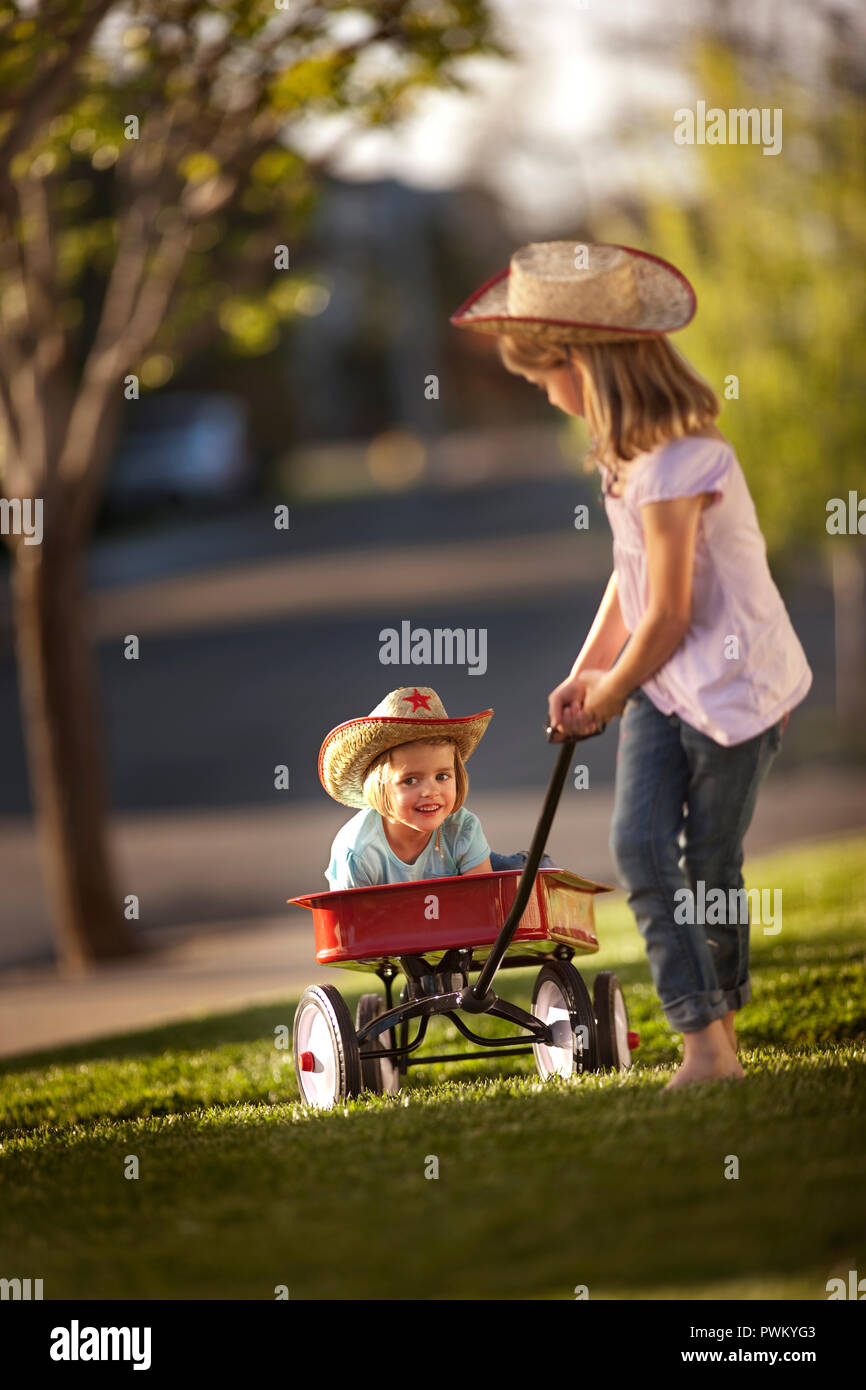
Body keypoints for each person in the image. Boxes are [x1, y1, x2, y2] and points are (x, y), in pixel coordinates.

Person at [450, 241, 812, 1089]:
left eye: (545, 382)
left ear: (582, 364)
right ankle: (706, 1042)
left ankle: (719, 1036)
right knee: (640, 849)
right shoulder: (625, 461)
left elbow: (674, 611)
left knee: (711, 864)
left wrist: (609, 694)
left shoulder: (687, 461)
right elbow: (633, 579)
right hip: (660, 682)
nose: (545, 397)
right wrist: (589, 671)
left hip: (734, 692)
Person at [319, 685, 555, 890]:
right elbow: (352, 931)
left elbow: (484, 904)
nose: (430, 791)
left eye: (442, 776)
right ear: (379, 788)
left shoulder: (463, 829)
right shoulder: (358, 852)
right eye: (410, 780)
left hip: (454, 909)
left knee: (534, 872)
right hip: (391, 927)